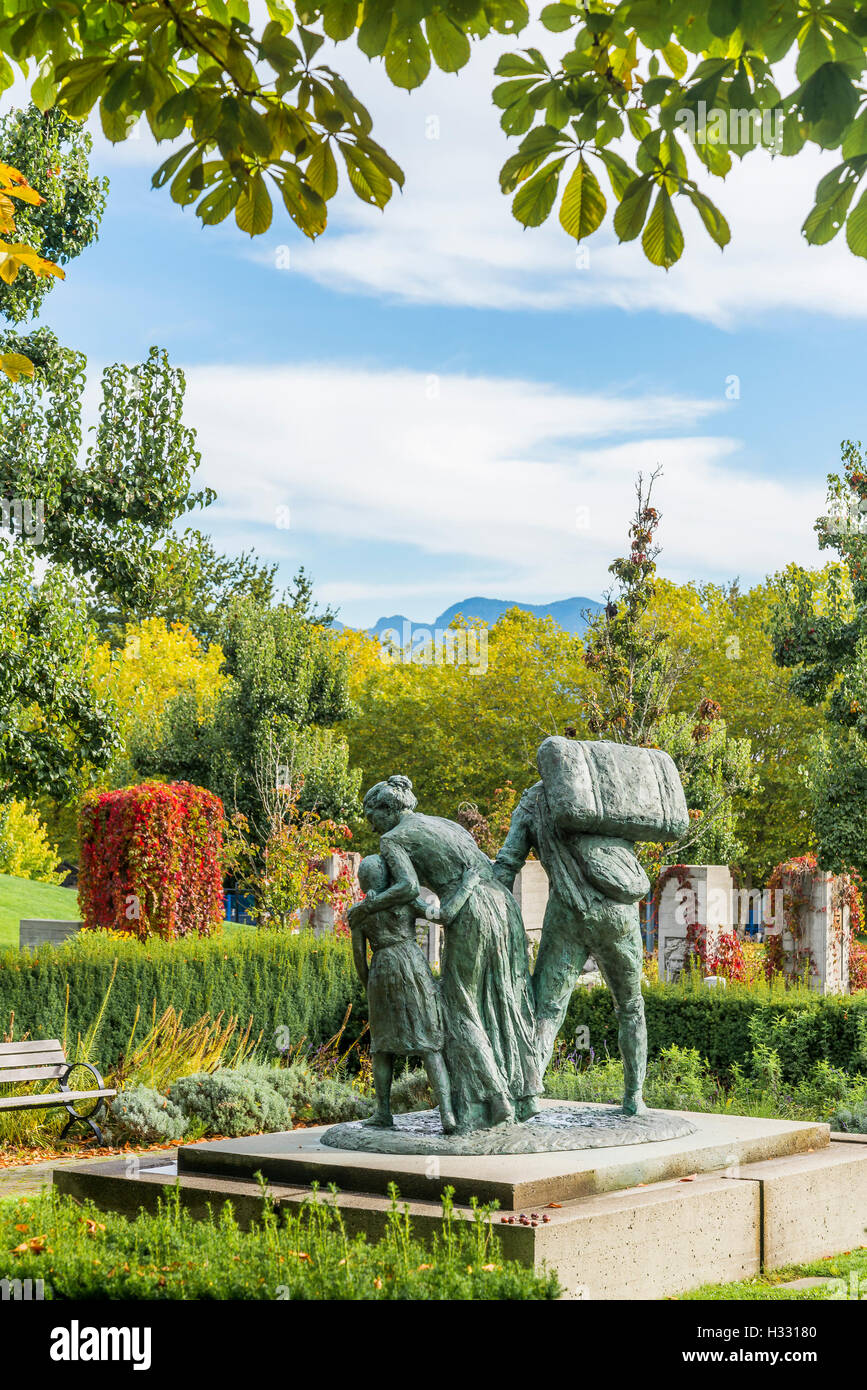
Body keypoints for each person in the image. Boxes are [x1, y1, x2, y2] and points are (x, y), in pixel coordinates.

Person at [349, 775, 541, 1134]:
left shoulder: (392, 839)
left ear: (388, 809)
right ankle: (524, 1096)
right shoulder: (443, 823)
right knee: (502, 999)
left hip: (469, 910)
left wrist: (369, 905)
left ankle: (495, 1101)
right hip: (501, 904)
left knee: (459, 1005)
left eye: (371, 813)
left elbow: (406, 886)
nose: (370, 823)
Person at [494, 781, 650, 1116]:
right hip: (618, 914)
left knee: (547, 1009)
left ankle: (528, 1096)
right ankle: (634, 1097)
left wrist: (494, 916)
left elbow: (507, 863)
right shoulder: (608, 791)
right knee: (631, 1006)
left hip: (567, 914)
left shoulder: (532, 800)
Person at [351, 853, 456, 1133]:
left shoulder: (359, 913)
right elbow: (442, 916)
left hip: (380, 972)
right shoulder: (406, 901)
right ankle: (447, 1113)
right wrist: (466, 887)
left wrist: (371, 985)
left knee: (382, 1047)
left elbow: (359, 959)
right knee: (429, 1042)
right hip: (411, 966)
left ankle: (383, 1111)